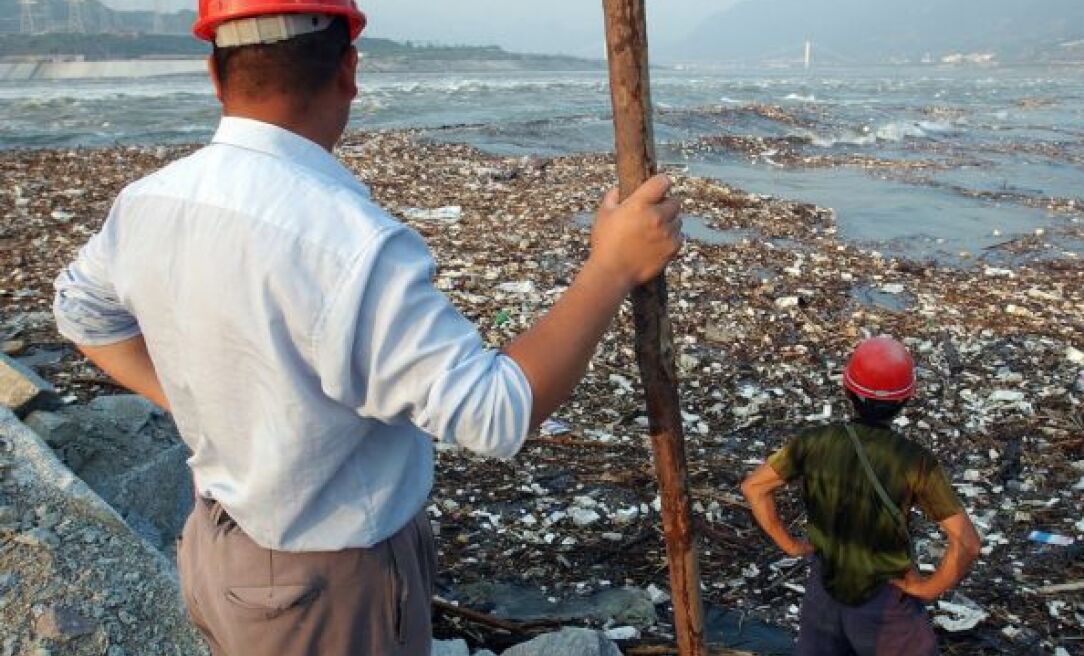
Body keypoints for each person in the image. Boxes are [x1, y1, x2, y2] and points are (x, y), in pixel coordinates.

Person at [51, 1, 682, 654]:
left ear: (215, 75)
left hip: (216, 549)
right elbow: (495, 411)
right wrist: (610, 268)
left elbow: (82, 315)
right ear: (349, 70)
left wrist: (200, 401)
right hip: (324, 584)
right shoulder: (348, 244)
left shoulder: (148, 202)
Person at [741, 336, 981, 656]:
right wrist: (928, 588)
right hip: (884, 605)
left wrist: (790, 545)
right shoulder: (914, 462)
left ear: (848, 389)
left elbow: (754, 487)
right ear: (906, 398)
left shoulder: (815, 442)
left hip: (822, 594)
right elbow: (967, 542)